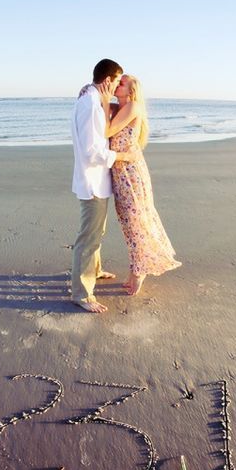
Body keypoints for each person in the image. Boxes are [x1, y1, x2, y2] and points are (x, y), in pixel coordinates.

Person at [102, 74, 181, 296]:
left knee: (137, 221)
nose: (117, 84)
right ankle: (138, 266)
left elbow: (106, 131)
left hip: (131, 173)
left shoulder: (133, 106)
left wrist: (105, 100)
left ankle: (139, 271)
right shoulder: (118, 108)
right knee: (129, 223)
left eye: (122, 82)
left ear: (132, 90)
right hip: (120, 171)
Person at [71, 59, 136, 313]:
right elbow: (91, 151)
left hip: (98, 180)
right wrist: (122, 157)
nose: (119, 86)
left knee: (97, 233)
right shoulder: (90, 104)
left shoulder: (92, 98)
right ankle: (82, 293)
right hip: (92, 181)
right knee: (88, 238)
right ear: (108, 81)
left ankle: (94, 271)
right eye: (117, 81)